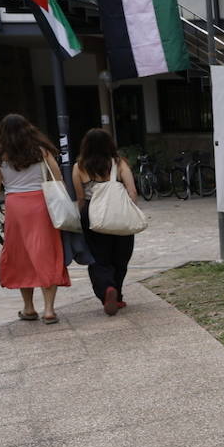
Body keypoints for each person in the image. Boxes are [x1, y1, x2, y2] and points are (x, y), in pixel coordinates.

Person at [0, 113, 70, 323]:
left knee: (21, 255)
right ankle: (49, 310)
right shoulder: (41, 152)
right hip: (42, 205)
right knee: (45, 252)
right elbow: (57, 178)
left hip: (16, 208)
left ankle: (29, 308)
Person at [72, 128, 137, 316]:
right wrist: (131, 208)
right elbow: (132, 191)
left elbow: (80, 197)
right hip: (119, 214)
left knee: (98, 257)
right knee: (121, 256)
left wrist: (82, 216)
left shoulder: (79, 167)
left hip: (93, 215)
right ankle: (117, 294)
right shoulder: (119, 163)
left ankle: (107, 289)